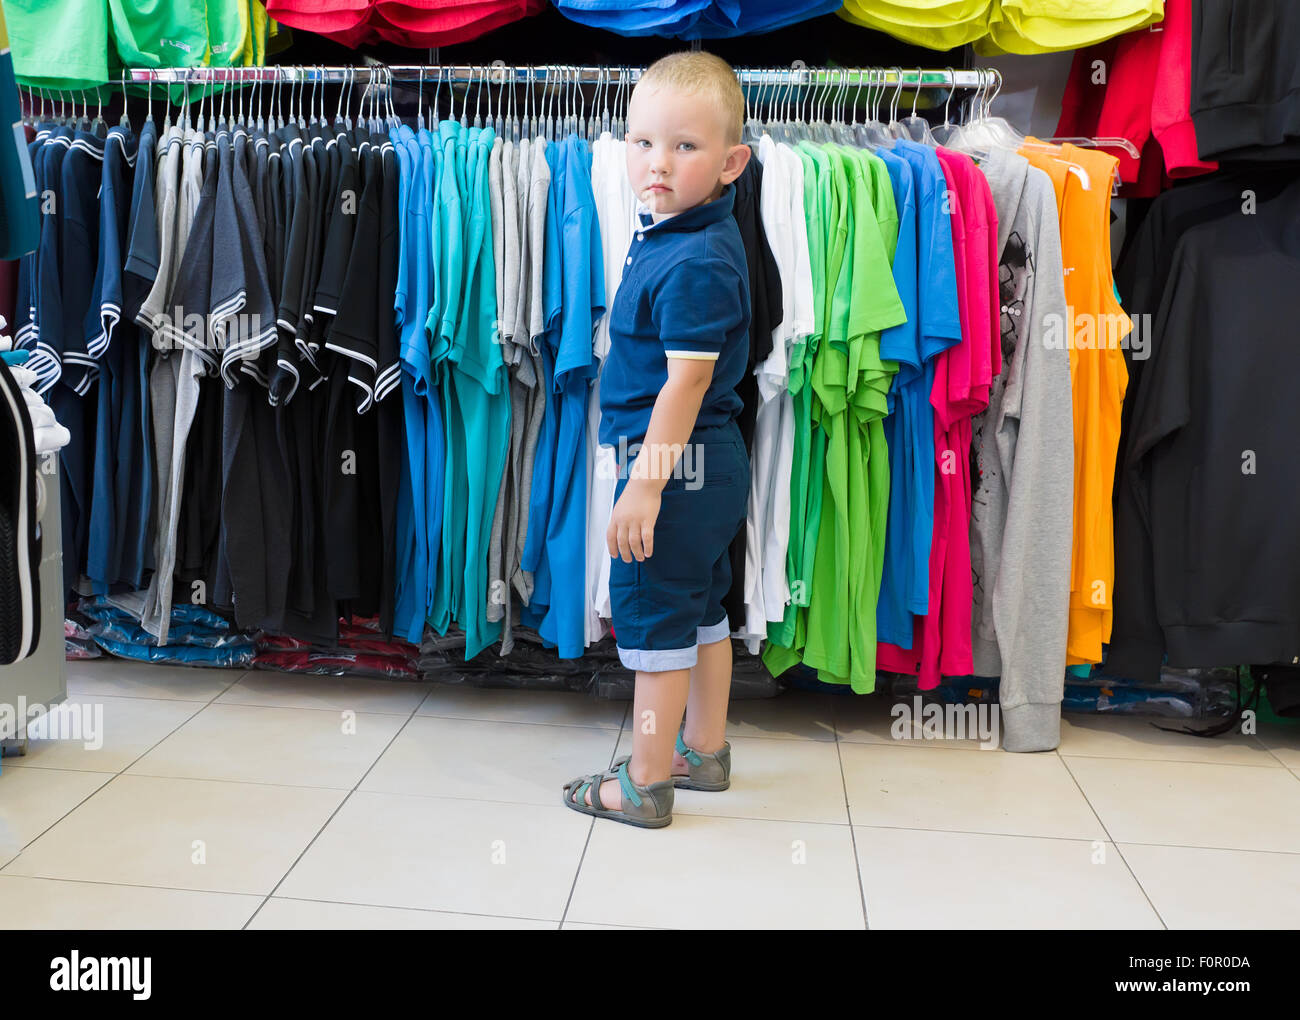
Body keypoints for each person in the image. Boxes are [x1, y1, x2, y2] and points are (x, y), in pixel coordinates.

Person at [563, 51, 752, 828]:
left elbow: (687, 382)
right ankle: (702, 752)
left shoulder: (696, 258)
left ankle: (644, 781)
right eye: (643, 144)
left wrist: (645, 483)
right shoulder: (682, 234)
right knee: (703, 615)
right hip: (710, 466)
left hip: (673, 470)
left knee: (652, 631)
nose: (658, 164)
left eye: (685, 147)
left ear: (731, 162)